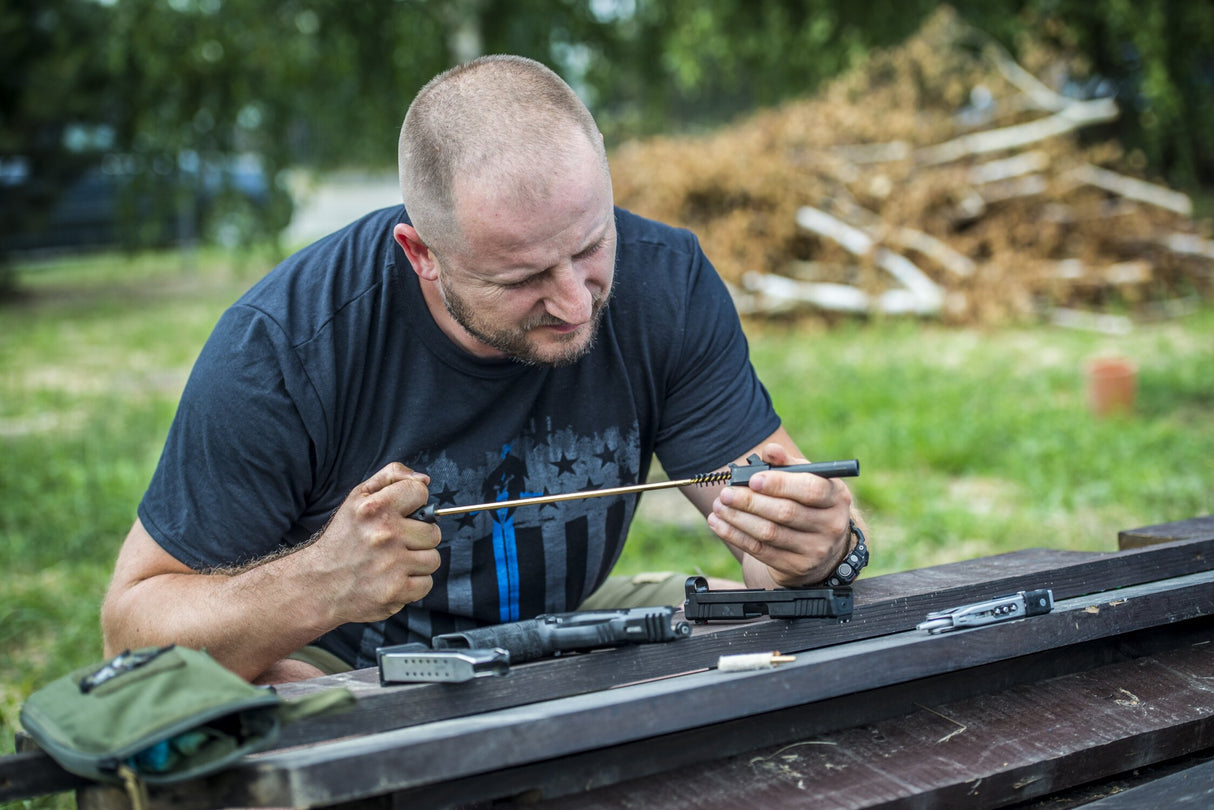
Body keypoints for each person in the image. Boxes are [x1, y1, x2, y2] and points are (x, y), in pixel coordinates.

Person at [101, 55, 867, 684]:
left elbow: (780, 532)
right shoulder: (283, 347)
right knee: (243, 717)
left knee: (768, 640)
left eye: (589, 245)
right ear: (421, 255)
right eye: (520, 279)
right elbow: (131, 638)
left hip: (561, 631)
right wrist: (320, 582)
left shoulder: (664, 280)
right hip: (349, 665)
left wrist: (818, 548)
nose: (574, 302)